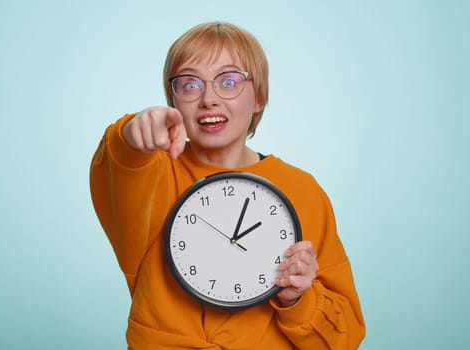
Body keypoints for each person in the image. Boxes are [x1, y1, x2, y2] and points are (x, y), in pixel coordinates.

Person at [90, 21, 365, 349]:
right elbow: (121, 162)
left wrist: (297, 299)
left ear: (259, 97)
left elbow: (345, 336)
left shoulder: (304, 190)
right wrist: (132, 133)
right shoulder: (151, 175)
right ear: (174, 100)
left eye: (229, 81)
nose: (209, 99)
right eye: (190, 84)